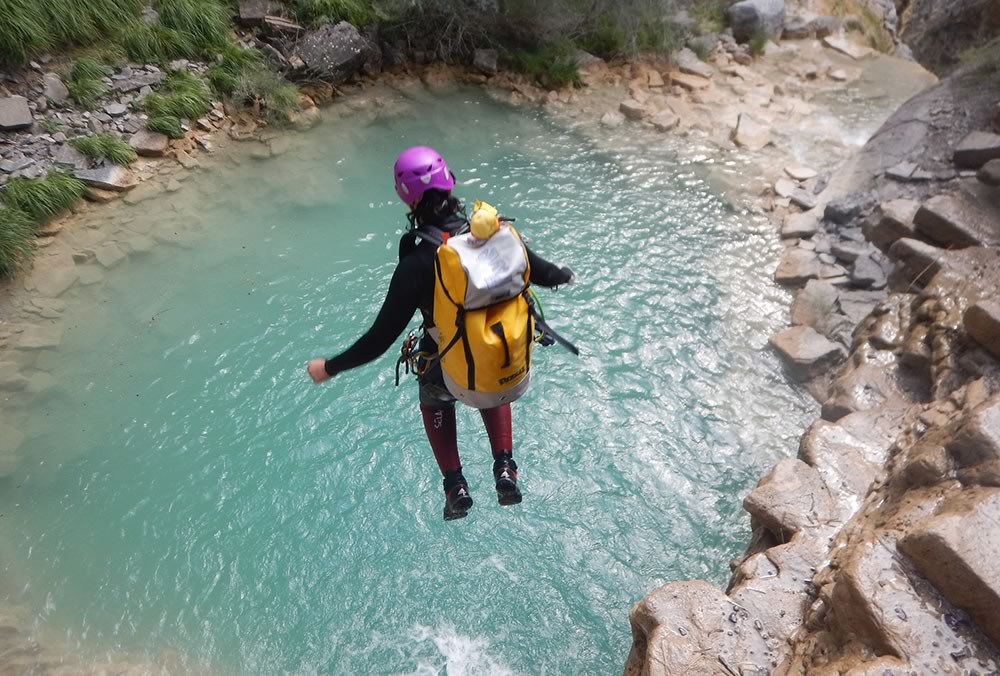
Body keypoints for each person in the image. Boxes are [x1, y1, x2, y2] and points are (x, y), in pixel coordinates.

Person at [307, 146, 574, 521]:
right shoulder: (496, 235)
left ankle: (455, 486)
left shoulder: (416, 264)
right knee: (489, 354)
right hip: (512, 372)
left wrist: (329, 367)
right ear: (449, 181)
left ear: (406, 197)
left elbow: (378, 341)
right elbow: (546, 274)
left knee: (434, 390)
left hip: (453, 375)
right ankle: (504, 467)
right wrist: (566, 274)